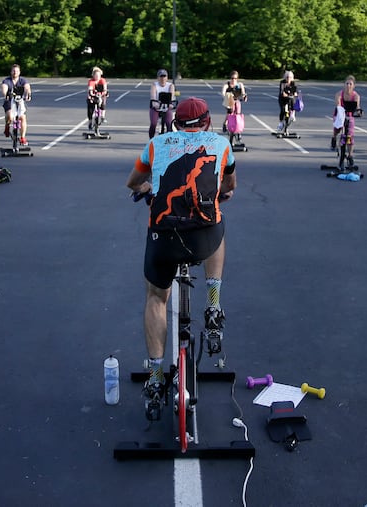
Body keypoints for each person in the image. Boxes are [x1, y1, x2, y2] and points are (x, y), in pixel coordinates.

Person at [126, 97, 237, 420]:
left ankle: (157, 377)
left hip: (164, 239)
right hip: (203, 239)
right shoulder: (221, 144)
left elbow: (132, 182)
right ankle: (213, 301)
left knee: (156, 298)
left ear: (175, 124)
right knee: (218, 221)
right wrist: (220, 192)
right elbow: (229, 186)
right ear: (207, 121)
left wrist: (147, 186)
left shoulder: (156, 144)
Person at [330, 75, 361, 165]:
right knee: (337, 128)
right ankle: (334, 138)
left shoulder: (356, 96)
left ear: (353, 85)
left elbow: (357, 107)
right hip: (340, 113)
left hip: (350, 115)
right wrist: (341, 114)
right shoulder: (339, 94)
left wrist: (359, 112)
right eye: (347, 83)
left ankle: (350, 155)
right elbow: (338, 105)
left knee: (350, 136)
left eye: (350, 84)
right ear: (344, 84)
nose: (348, 86)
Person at [1, 64, 32, 146]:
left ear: (19, 72)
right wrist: (6, 95)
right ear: (11, 72)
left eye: (17, 71)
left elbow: (27, 88)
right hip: (10, 101)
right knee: (10, 117)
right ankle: (7, 126)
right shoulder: (7, 80)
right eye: (13, 71)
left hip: (19, 102)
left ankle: (22, 137)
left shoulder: (22, 80)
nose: (15, 72)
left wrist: (28, 94)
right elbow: (4, 88)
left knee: (22, 117)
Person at [148, 69, 176, 138]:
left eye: (164, 76)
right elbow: (153, 96)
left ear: (167, 78)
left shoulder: (170, 85)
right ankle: (151, 140)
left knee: (169, 124)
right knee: (153, 124)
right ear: (158, 78)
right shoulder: (154, 85)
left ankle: (169, 140)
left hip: (166, 107)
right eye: (161, 76)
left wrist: (171, 104)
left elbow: (171, 96)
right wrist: (155, 103)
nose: (162, 78)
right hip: (156, 107)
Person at [86, 66, 108, 130]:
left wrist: (104, 93)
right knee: (90, 107)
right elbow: (90, 89)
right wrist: (91, 94)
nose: (97, 77)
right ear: (93, 75)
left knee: (103, 103)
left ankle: (102, 117)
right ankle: (90, 121)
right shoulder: (91, 81)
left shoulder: (102, 80)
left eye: (98, 75)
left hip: (101, 95)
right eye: (95, 75)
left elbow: (105, 89)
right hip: (93, 96)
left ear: (100, 75)